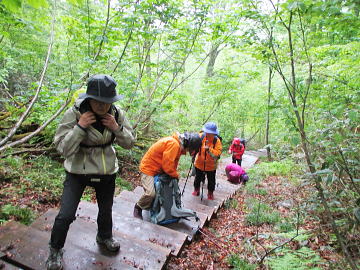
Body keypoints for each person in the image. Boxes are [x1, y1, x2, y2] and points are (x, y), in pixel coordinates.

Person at [46, 74, 135, 270]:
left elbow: (130, 143)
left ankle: (104, 236)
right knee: (66, 214)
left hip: (106, 171)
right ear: (89, 98)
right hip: (77, 170)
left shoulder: (117, 114)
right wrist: (80, 127)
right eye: (98, 101)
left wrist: (116, 128)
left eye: (107, 101)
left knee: (105, 210)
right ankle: (55, 249)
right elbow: (62, 148)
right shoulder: (75, 114)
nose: (103, 105)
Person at [133, 132, 202, 219]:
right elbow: (167, 166)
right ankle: (138, 207)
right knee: (150, 194)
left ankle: (153, 205)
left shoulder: (178, 145)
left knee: (165, 187)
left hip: (158, 168)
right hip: (148, 168)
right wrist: (176, 175)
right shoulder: (174, 145)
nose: (189, 151)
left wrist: (173, 175)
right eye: (191, 149)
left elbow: (172, 163)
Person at [192, 122, 222, 200]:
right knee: (197, 178)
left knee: (211, 180)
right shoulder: (201, 137)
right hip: (199, 163)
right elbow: (193, 142)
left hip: (211, 166)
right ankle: (196, 190)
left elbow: (217, 154)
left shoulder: (217, 141)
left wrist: (209, 150)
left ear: (214, 133)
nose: (208, 134)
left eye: (210, 133)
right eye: (207, 132)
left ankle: (210, 193)